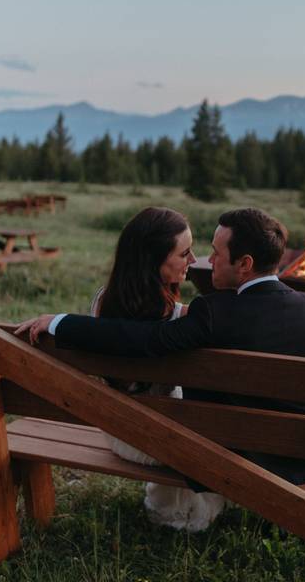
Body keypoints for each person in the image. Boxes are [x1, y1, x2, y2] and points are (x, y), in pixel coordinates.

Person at [16, 207, 305, 487]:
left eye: (216, 252)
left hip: (246, 457)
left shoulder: (214, 314)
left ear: (244, 264)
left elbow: (143, 338)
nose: (207, 260)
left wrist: (60, 322)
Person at [85, 206, 224, 532]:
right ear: (152, 260)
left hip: (115, 430)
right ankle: (175, 514)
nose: (192, 261)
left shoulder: (102, 301)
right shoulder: (177, 320)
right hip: (151, 437)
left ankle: (170, 505)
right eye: (184, 253)